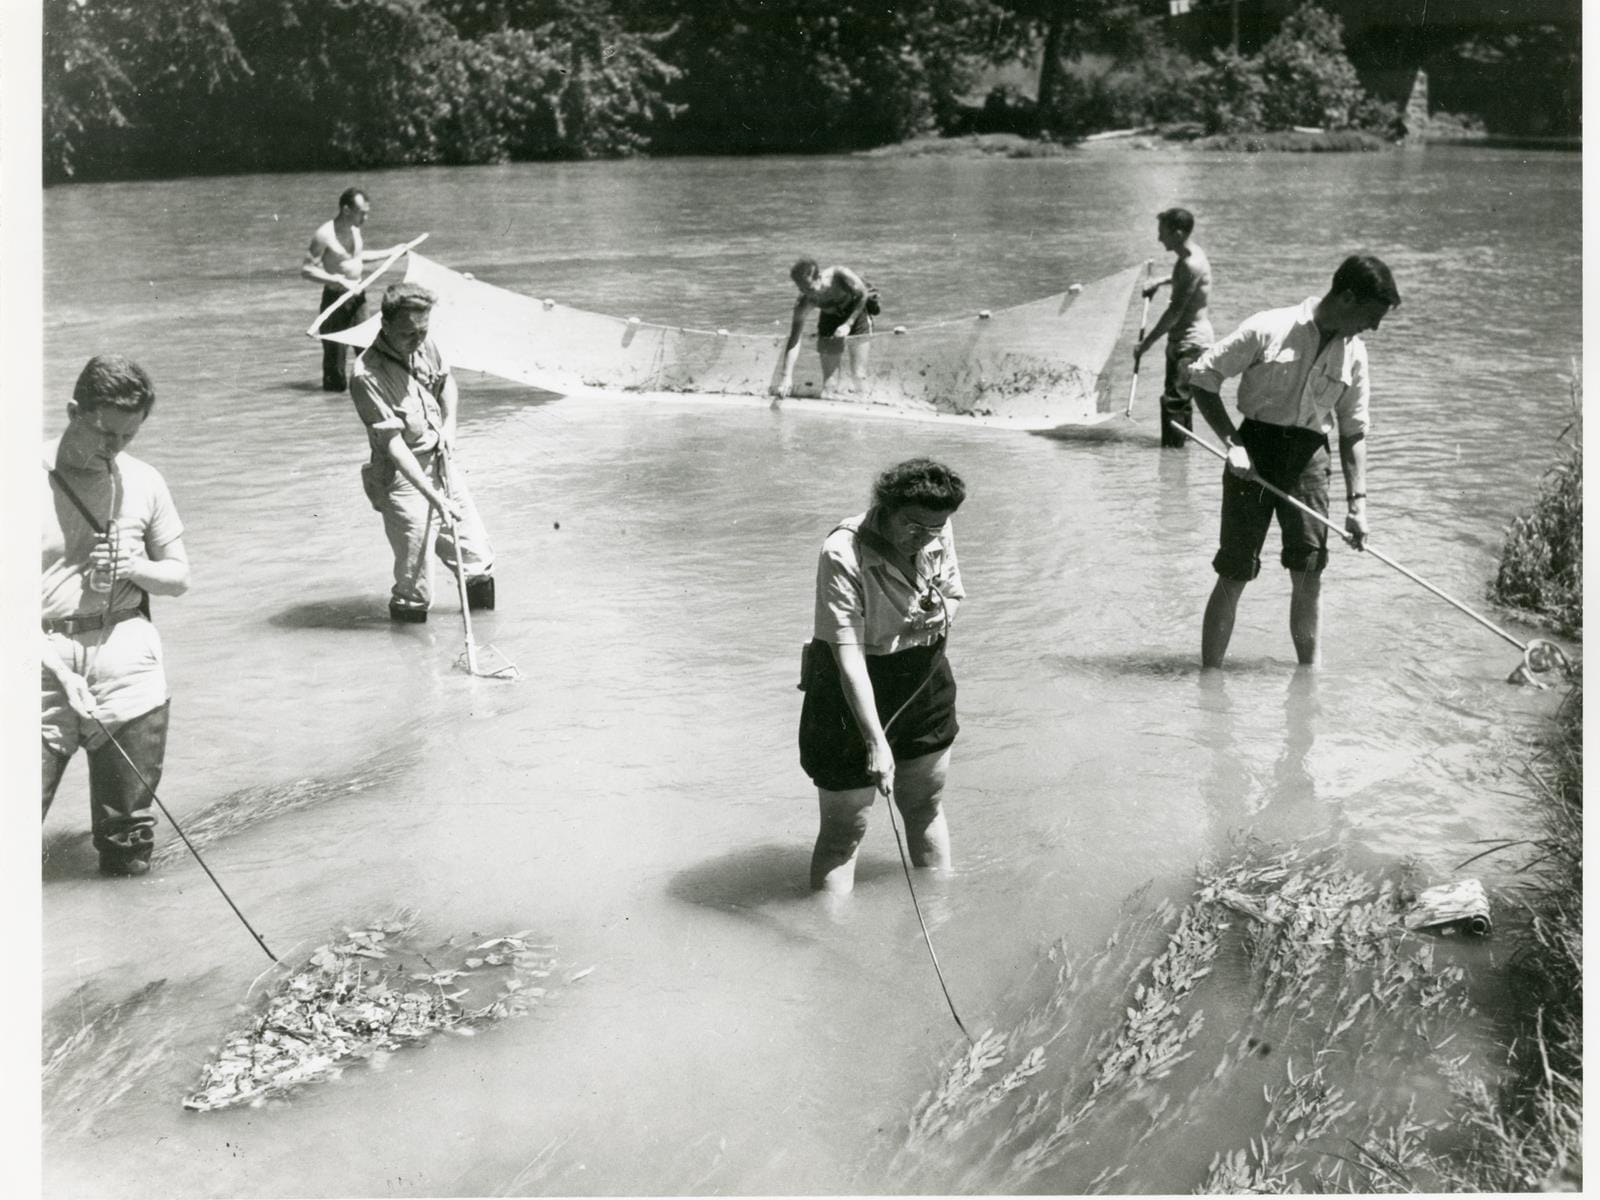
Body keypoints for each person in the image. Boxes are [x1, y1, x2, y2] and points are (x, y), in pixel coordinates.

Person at [1184, 254, 1400, 669]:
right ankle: (1209, 679)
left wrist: (1359, 506)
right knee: (1234, 571)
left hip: (1310, 461)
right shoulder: (1269, 327)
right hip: (1253, 449)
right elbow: (1202, 378)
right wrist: (1233, 444)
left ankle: (1309, 682)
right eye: (1372, 316)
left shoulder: (1356, 353)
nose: (1373, 327)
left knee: (1308, 574)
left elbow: (1353, 431)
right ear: (1348, 297)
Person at [42, 355, 191, 877]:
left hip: (126, 654)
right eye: (106, 433)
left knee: (130, 837)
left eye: (128, 436)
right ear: (73, 411)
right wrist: (60, 673)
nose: (114, 449)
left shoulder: (145, 481)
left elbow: (179, 578)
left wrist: (136, 566)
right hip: (39, 657)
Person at [798, 458, 967, 894]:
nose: (925, 537)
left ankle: (939, 911)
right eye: (913, 526)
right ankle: (829, 948)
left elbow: (952, 594)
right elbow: (847, 653)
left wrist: (940, 613)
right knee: (845, 831)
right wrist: (876, 742)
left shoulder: (936, 526)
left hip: (921, 678)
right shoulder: (841, 552)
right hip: (849, 685)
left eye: (935, 528)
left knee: (925, 805)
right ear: (885, 507)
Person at [350, 281, 497, 623]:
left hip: (441, 465)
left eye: (423, 330)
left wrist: (450, 426)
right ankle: (415, 666)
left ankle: (488, 636)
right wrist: (432, 495)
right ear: (384, 326)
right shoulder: (365, 375)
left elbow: (447, 383)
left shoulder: (425, 344)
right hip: (402, 478)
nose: (417, 340)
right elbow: (392, 444)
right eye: (408, 334)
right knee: (416, 588)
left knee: (477, 559)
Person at [302, 188, 405, 392]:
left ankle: (373, 401)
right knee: (335, 366)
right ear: (346, 209)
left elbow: (356, 258)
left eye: (367, 213)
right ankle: (332, 413)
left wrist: (391, 252)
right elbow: (307, 270)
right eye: (362, 213)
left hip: (359, 299)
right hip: (335, 301)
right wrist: (336, 280)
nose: (365, 218)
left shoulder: (355, 230)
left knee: (369, 354)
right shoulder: (325, 234)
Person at [1134, 207, 1214, 448]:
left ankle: (1172, 464)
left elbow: (1174, 313)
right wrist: (1160, 281)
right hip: (1183, 342)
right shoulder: (1189, 256)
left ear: (1178, 233)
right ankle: (1179, 461)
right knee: (1180, 403)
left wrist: (1145, 345)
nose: (1159, 238)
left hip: (1190, 343)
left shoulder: (1191, 263)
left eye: (1163, 233)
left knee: (1174, 402)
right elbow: (1183, 280)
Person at [773, 258, 876, 400]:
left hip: (856, 313)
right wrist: (786, 376)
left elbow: (863, 294)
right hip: (830, 319)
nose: (807, 293)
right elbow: (795, 338)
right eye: (801, 288)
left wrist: (848, 324)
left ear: (819, 277)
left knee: (858, 374)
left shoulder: (840, 275)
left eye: (809, 288)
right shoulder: (805, 300)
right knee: (829, 385)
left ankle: (864, 403)